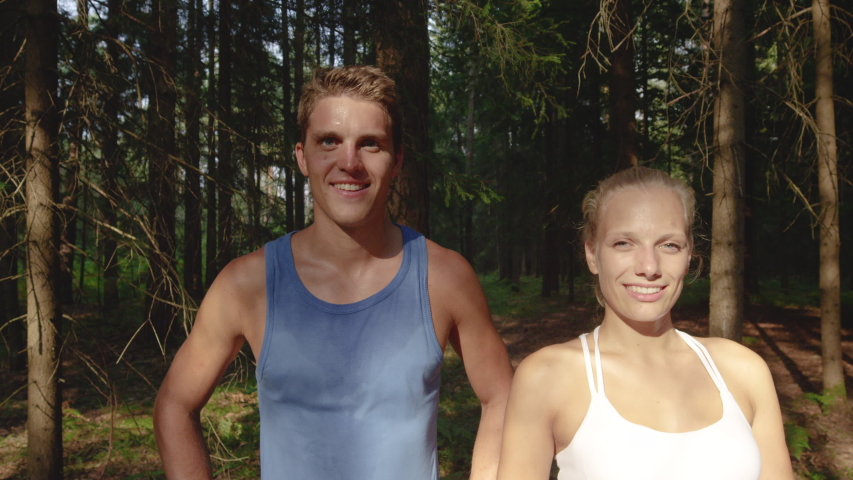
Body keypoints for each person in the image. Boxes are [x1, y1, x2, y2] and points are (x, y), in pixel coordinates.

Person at [154, 65, 514, 480]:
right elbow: (174, 405)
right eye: (329, 141)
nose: (349, 162)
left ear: (396, 160)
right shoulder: (247, 285)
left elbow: (502, 397)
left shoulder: (443, 277)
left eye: (370, 144)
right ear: (302, 157)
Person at [496, 167, 793, 480]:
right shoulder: (547, 377)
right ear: (592, 254)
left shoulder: (743, 370)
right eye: (624, 243)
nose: (649, 267)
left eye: (669, 245)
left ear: (689, 255)